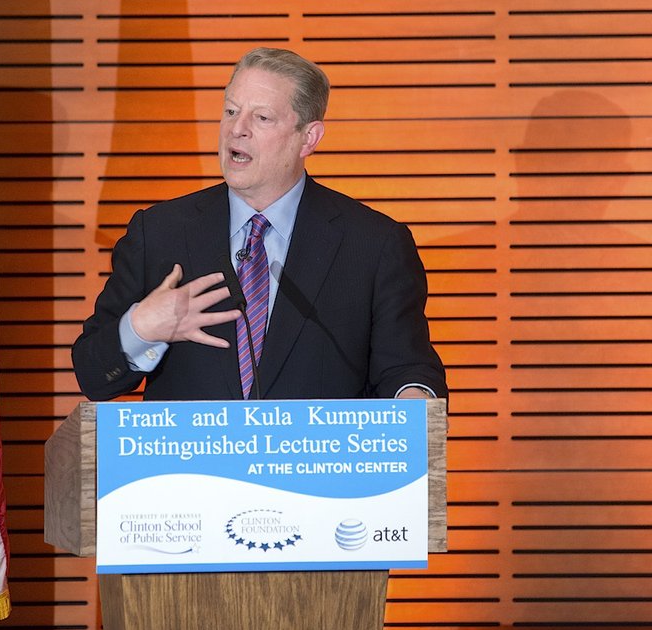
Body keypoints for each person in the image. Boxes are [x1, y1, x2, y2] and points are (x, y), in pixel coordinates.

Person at [72, 47, 447, 403]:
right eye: (231, 111)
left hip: (320, 466)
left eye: (262, 117)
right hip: (191, 470)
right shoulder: (158, 233)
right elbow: (92, 374)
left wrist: (413, 405)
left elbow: (408, 369)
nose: (237, 129)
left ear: (309, 138)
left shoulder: (373, 245)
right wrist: (140, 329)